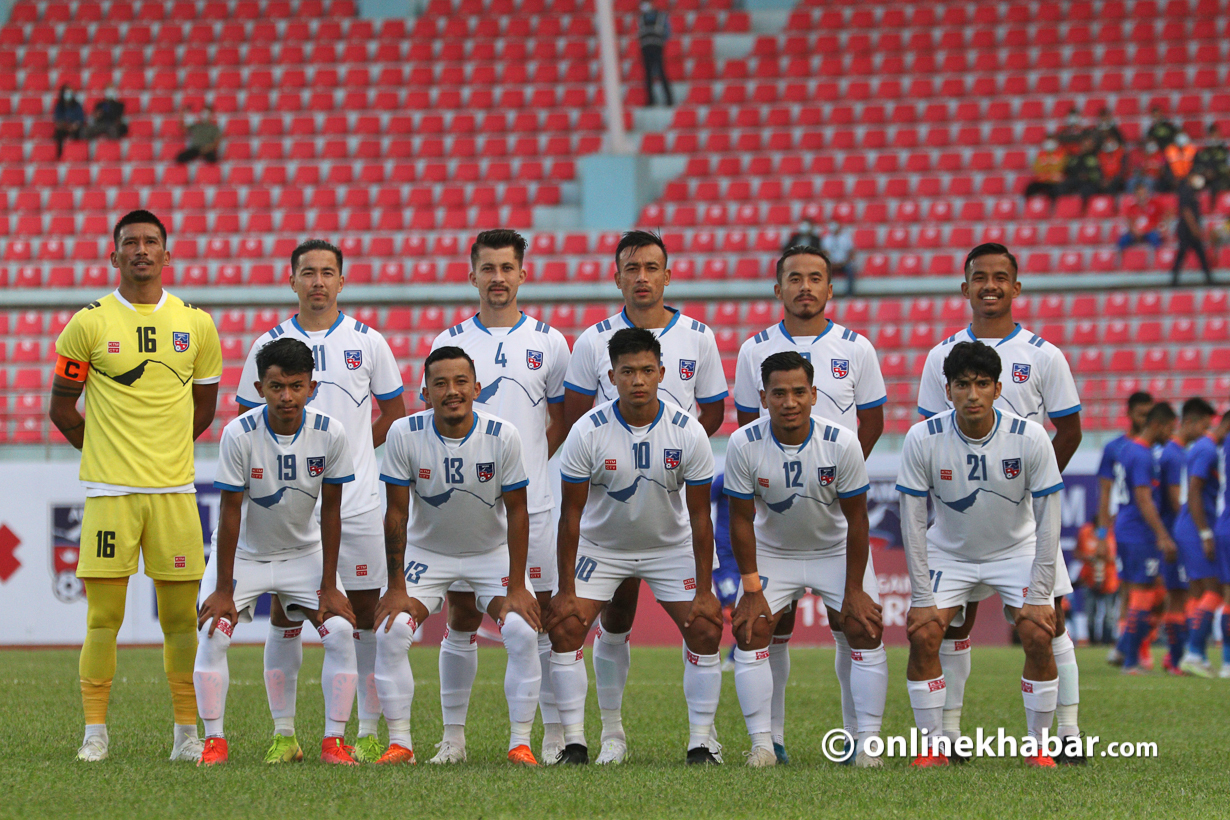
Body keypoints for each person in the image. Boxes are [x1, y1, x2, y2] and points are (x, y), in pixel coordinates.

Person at [49, 210, 222, 762]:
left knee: (179, 620)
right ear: (114, 254)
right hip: (109, 494)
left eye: (151, 242)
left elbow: (204, 409)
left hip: (175, 494)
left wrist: (162, 452)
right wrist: (102, 451)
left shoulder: (197, 325)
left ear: (167, 255)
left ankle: (186, 735)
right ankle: (94, 734)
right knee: (104, 617)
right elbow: (60, 407)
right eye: (131, 242)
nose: (141, 250)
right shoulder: (89, 322)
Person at [235, 239, 406, 764]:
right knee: (285, 618)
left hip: (355, 504)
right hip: (287, 510)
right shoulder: (269, 343)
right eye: (307, 272)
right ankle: (285, 734)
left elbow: (394, 414)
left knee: (362, 616)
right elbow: (247, 423)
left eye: (327, 272)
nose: (317, 282)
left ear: (341, 281)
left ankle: (368, 730)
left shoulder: (369, 341)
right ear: (292, 281)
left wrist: (343, 461)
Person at [560, 230, 726, 765]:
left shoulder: (698, 338)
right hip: (607, 534)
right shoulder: (592, 342)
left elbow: (714, 414)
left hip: (666, 525)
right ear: (617, 276)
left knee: (704, 624)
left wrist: (669, 450)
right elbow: (573, 421)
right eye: (632, 268)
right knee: (587, 622)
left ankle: (704, 740)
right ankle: (601, 737)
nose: (642, 277)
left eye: (652, 267)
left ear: (667, 275)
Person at [916, 243, 1084, 762]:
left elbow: (1070, 431)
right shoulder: (940, 355)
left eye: (1001, 277)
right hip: (960, 524)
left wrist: (1030, 488)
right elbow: (927, 433)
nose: (990, 285)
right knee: (954, 626)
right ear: (964, 287)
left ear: (1017, 286)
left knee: (1047, 620)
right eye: (980, 277)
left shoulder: (1043, 354)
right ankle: (947, 737)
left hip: (1023, 525)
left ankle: (1068, 735)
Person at [732, 244, 886, 764]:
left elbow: (873, 422)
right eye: (793, 277)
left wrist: (837, 477)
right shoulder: (754, 349)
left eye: (815, 277)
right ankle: (766, 742)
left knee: (859, 627)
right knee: (762, 629)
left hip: (833, 530)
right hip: (776, 534)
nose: (804, 286)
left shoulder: (856, 347)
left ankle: (863, 741)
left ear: (829, 286)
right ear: (778, 288)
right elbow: (751, 433)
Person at [422, 230, 570, 765]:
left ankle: (551, 736)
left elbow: (560, 421)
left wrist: (521, 470)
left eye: (508, 268)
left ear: (522, 274)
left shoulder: (551, 342)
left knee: (544, 618)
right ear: (473, 276)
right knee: (461, 615)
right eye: (488, 268)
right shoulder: (449, 340)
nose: (498, 278)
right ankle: (453, 740)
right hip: (466, 509)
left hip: (535, 506)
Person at [897, 341, 1067, 767]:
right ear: (948, 389)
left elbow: (1048, 520)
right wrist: (920, 597)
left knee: (1038, 632)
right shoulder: (922, 437)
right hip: (949, 553)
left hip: (1015, 550)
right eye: (962, 385)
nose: (972, 394)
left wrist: (1040, 594)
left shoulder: (1030, 437)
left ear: (997, 388)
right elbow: (914, 524)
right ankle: (932, 746)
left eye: (982, 384)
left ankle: (1040, 747)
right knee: (923, 634)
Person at [375, 346, 543, 765]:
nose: (452, 391)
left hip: (491, 553)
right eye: (440, 383)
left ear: (477, 388)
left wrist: (519, 585)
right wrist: (396, 587)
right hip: (427, 553)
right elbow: (396, 513)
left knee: (523, 631)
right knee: (392, 629)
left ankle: (520, 743)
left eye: (460, 382)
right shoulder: (403, 433)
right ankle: (404, 744)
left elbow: (519, 512)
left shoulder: (503, 434)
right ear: (425, 393)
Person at [195, 338, 359, 766]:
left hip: (303, 554)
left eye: (296, 386)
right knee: (212, 631)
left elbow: (332, 513)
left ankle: (332, 744)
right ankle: (214, 742)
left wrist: (328, 585)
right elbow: (229, 514)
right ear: (260, 386)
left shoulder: (331, 432)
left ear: (312, 387)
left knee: (341, 632)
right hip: (245, 556)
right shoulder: (239, 433)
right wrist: (225, 589)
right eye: (276, 387)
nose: (286, 396)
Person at [1112, 402, 1178, 674]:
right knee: (1143, 593)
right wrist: (1162, 534)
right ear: (1160, 425)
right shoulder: (1142, 455)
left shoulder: (1129, 449)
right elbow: (1143, 497)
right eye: (1170, 429)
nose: (1171, 435)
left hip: (1127, 529)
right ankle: (1130, 660)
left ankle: (1125, 647)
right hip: (1139, 532)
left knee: (1147, 591)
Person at [1096, 391, 1154, 668]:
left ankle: (1127, 646)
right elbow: (1105, 493)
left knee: (1153, 589)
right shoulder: (1115, 448)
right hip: (1129, 527)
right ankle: (1130, 648)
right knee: (1130, 588)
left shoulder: (1155, 446)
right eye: (1142, 414)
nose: (1146, 419)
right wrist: (1102, 534)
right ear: (1129, 413)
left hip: (1151, 525)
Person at [1159, 398, 1216, 673]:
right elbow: (1177, 498)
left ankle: (1182, 655)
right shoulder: (1175, 453)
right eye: (1204, 424)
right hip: (1186, 529)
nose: (1207, 431)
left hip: (1183, 529)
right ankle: (1185, 653)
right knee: (1197, 592)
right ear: (1190, 421)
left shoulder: (1184, 450)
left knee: (1190, 593)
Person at [1176, 410, 1230, 676]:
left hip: (1195, 526)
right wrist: (1205, 533)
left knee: (1199, 594)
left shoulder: (1207, 449)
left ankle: (1192, 652)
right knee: (1215, 591)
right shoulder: (1208, 449)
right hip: (1197, 527)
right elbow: (1194, 489)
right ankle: (1194, 652)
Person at [1172, 174, 1214, 286]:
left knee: (1199, 254)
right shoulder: (1186, 191)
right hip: (1186, 230)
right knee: (1184, 253)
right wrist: (1195, 228)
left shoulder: (1192, 192)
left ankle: (1208, 278)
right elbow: (1186, 212)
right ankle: (1174, 279)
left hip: (1190, 228)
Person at [637, 1, 673, 107]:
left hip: (657, 47)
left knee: (661, 73)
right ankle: (650, 100)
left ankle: (669, 100)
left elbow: (667, 31)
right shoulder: (641, 18)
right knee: (647, 76)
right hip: (645, 48)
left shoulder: (661, 16)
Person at [1118, 184, 1166, 252]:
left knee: (1155, 238)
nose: (1142, 196)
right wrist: (1135, 231)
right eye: (1139, 194)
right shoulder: (1132, 207)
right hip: (1135, 232)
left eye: (1144, 193)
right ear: (1136, 195)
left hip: (1149, 231)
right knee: (1122, 240)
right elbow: (1129, 221)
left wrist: (1159, 228)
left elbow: (1162, 217)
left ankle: (1158, 259)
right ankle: (1122, 260)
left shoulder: (1154, 205)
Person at [1023, 137, 1066, 202]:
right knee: (1030, 188)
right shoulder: (1041, 155)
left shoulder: (1061, 154)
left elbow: (1061, 168)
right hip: (1042, 180)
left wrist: (1050, 173)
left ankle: (1054, 207)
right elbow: (1036, 168)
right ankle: (1028, 206)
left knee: (1055, 191)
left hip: (1054, 181)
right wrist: (1045, 174)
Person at [1063, 135, 1103, 202]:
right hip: (1075, 179)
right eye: (1084, 145)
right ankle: (1063, 206)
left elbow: (1097, 173)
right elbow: (1068, 169)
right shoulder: (1075, 157)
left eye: (1088, 145)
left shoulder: (1095, 157)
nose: (1086, 147)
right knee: (1062, 186)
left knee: (1087, 189)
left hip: (1090, 181)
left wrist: (1088, 176)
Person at [1195, 123, 1230, 199]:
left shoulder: (1225, 151)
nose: (1216, 137)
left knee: (1220, 184)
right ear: (1209, 135)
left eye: (1217, 135)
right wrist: (1205, 172)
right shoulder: (1203, 151)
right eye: (1213, 135)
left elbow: (1228, 167)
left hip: (1221, 178)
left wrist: (1217, 172)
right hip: (1205, 178)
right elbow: (1197, 166)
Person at [821, 222, 857, 295]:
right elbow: (824, 254)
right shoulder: (826, 239)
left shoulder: (845, 238)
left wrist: (845, 262)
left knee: (850, 270)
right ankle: (825, 293)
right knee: (823, 272)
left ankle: (849, 293)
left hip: (844, 262)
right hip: (832, 263)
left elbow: (851, 253)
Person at [53, 84, 85, 159]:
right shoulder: (59, 106)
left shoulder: (77, 105)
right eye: (66, 93)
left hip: (75, 128)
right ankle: (59, 155)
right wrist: (64, 126)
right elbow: (57, 119)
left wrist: (74, 126)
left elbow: (81, 119)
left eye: (69, 93)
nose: (68, 95)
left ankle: (77, 155)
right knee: (58, 133)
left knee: (80, 133)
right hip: (64, 127)